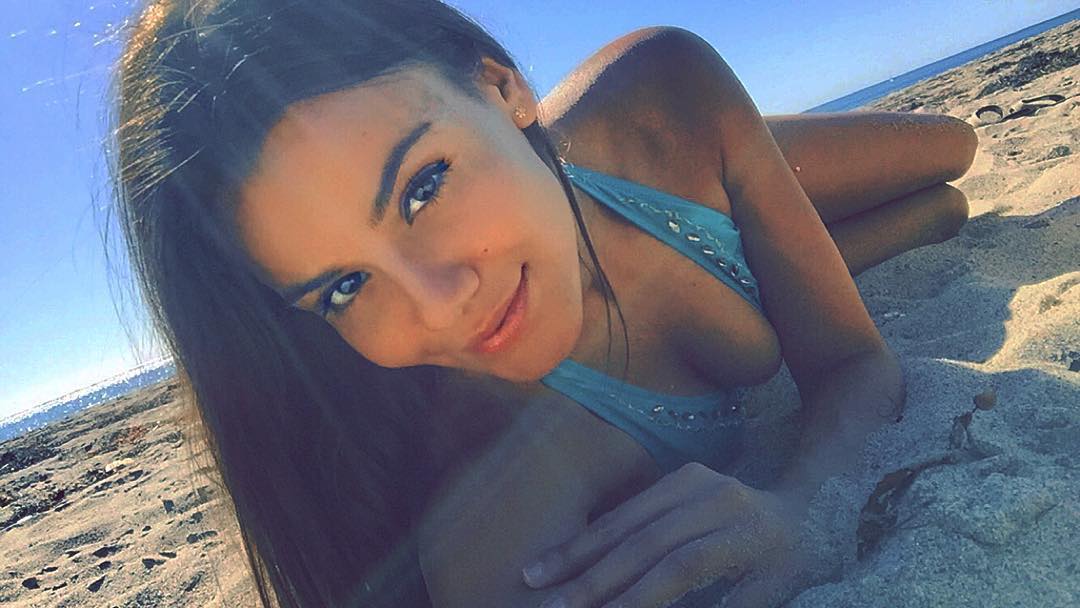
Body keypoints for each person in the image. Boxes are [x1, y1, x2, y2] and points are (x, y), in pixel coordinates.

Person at [111, 0, 977, 606]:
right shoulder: (498, 475)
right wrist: (794, 508)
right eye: (344, 286)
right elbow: (851, 361)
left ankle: (752, 215)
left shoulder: (665, 92)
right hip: (622, 203)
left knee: (953, 157)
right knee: (937, 213)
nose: (440, 308)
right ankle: (767, 249)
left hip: (645, 173)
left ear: (501, 86)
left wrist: (799, 501)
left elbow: (854, 363)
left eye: (423, 187)